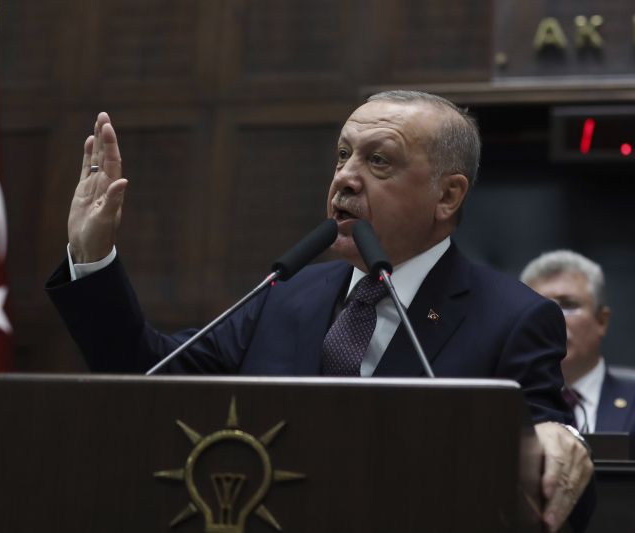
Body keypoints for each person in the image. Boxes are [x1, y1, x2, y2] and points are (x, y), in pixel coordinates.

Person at [46, 91, 593, 531]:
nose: (345, 177)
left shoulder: (513, 318)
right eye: (342, 154)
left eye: (378, 160)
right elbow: (149, 378)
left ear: (447, 196)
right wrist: (92, 258)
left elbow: (559, 486)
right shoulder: (285, 293)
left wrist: (557, 441)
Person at [521, 250, 635, 434]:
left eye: (569, 305)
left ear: (601, 320)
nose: (553, 319)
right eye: (539, 307)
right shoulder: (504, 404)